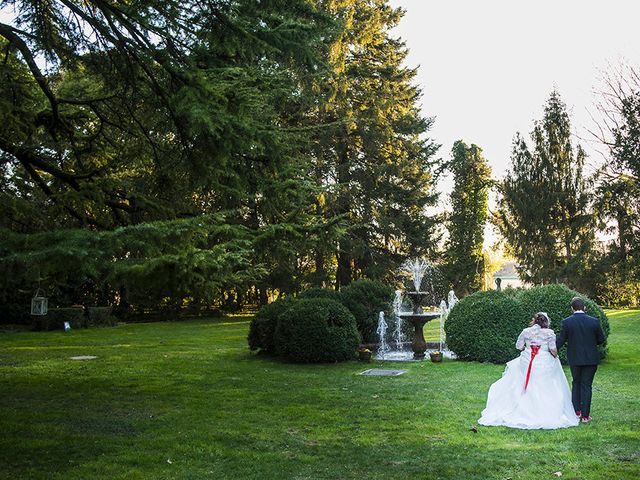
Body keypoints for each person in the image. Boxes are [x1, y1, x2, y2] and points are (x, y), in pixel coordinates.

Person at [478, 312, 579, 429]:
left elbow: (519, 346)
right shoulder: (549, 333)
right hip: (544, 361)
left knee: (526, 380)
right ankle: (546, 409)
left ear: (534, 320)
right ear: (546, 322)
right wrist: (555, 356)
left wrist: (528, 347)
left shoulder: (526, 331)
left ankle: (522, 406)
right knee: (545, 384)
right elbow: (553, 349)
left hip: (527, 360)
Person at [556, 297, 605, 423]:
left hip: (575, 358)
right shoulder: (594, 321)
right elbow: (601, 339)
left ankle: (576, 411)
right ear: (585, 307)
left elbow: (560, 340)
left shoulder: (566, 322)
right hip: (591, 358)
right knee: (586, 386)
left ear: (572, 309)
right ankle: (585, 416)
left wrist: (550, 349)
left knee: (576, 382)